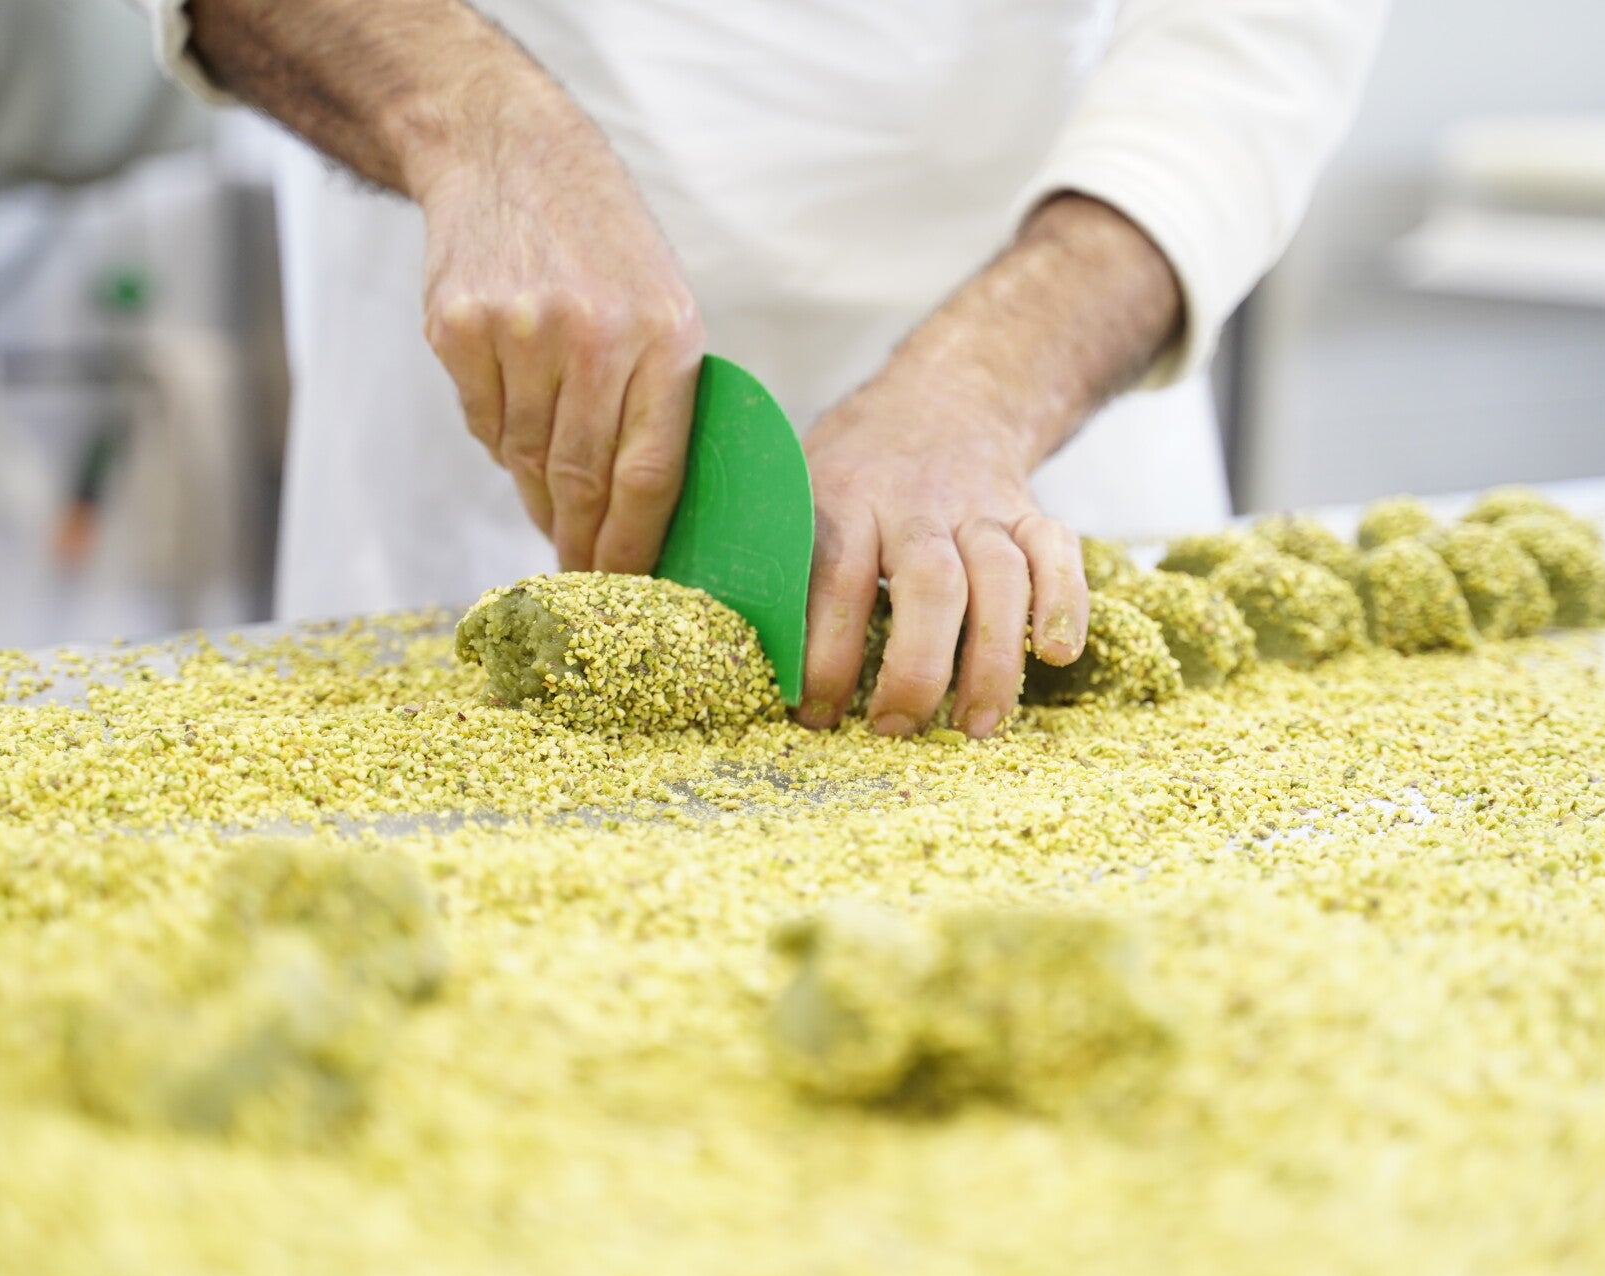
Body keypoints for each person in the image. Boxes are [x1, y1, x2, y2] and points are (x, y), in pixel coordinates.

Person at [131, 0, 1388, 738]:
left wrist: (986, 383)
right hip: (493, 428)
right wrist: (469, 122)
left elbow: (1260, 35)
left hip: (1038, 413)